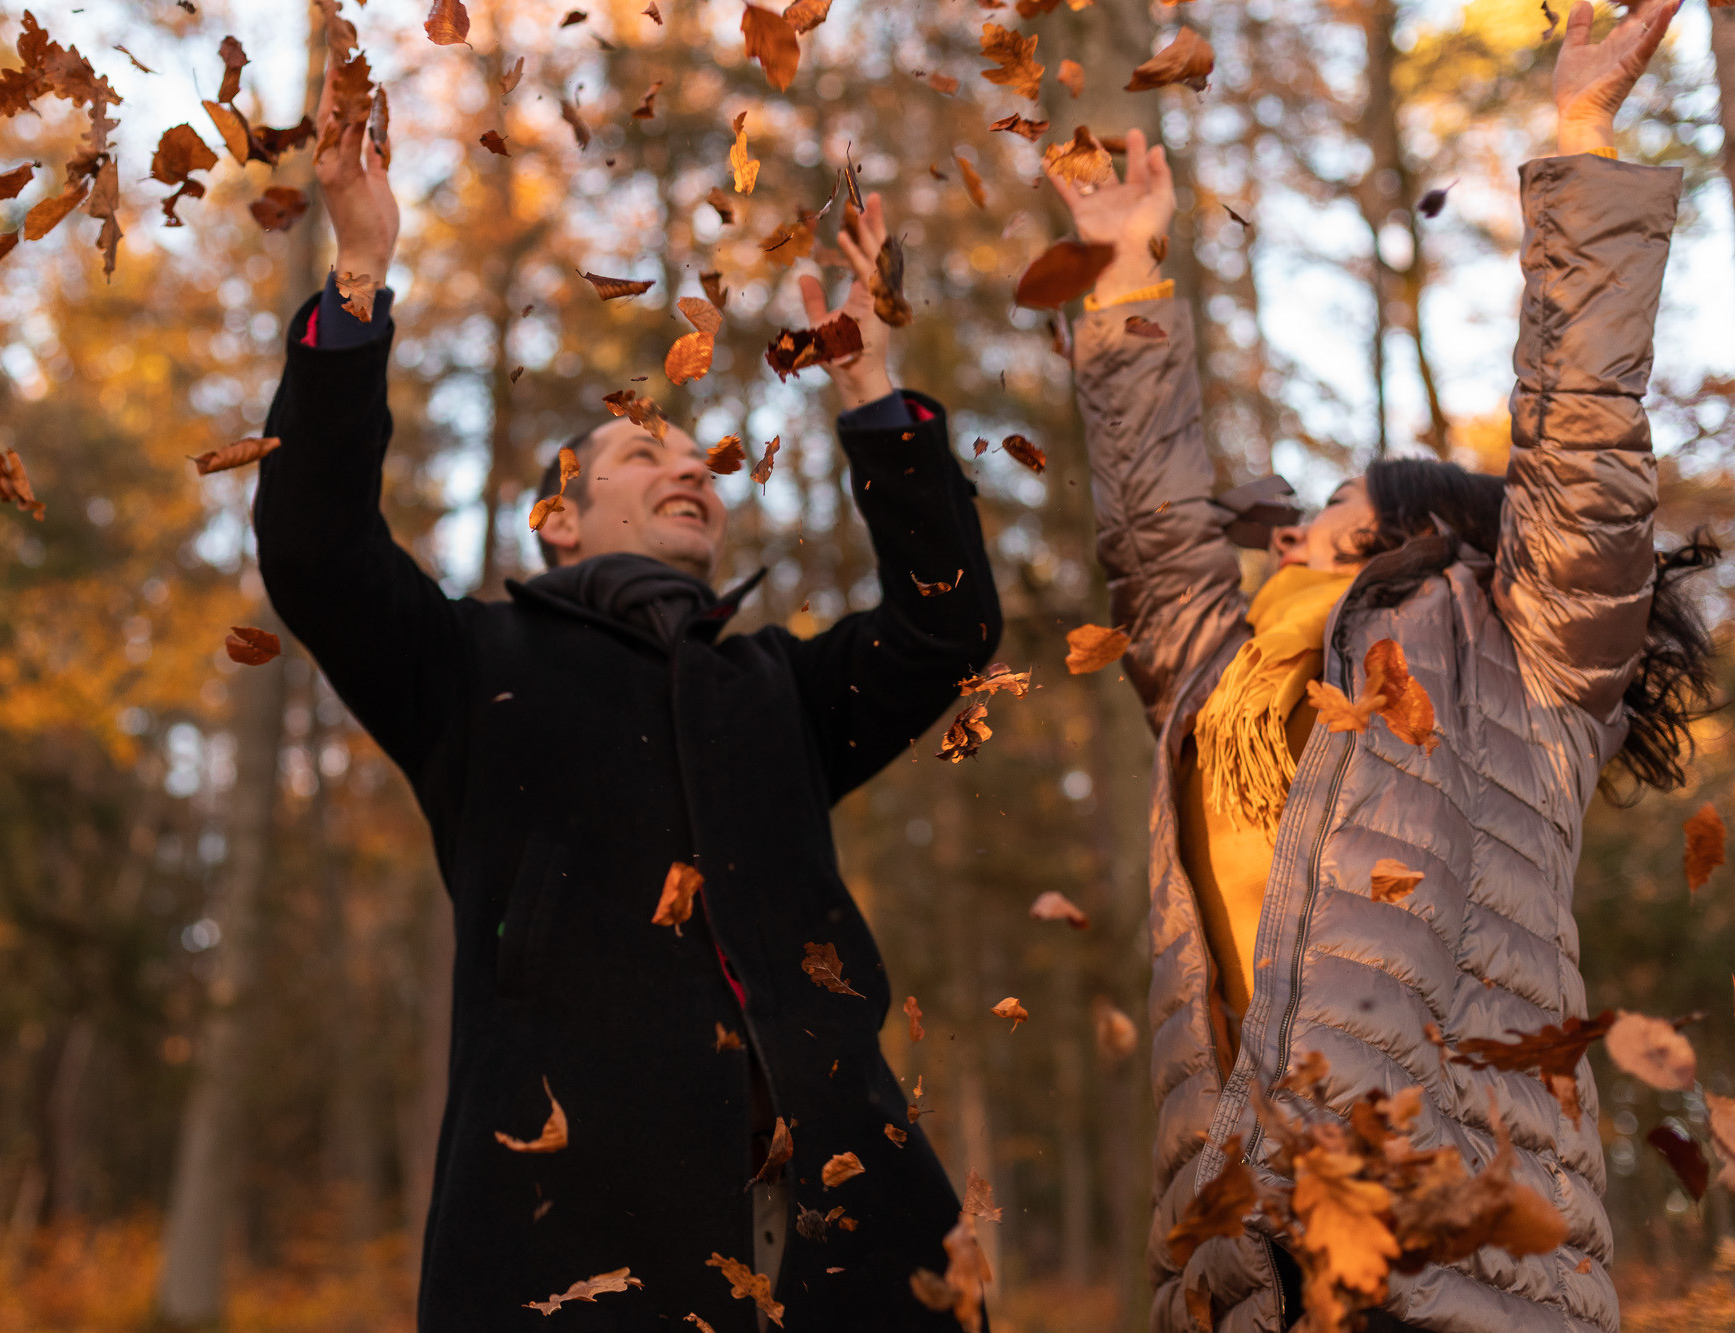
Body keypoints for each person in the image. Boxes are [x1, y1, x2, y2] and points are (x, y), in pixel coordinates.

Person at [252, 66, 1003, 1332]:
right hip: (577, 1231)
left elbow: (947, 628)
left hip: (844, 1235)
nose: (687, 470)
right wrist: (360, 280)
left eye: (700, 460)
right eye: (641, 453)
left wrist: (872, 396)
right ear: (556, 520)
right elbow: (316, 554)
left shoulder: (774, 689)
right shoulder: (472, 664)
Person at [1049, 2, 1713, 1329]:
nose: (1294, 531)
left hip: (1463, 1245)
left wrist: (1580, 141)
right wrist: (1125, 281)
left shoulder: (1514, 648)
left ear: (1425, 534)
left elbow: (1580, 453)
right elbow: (1155, 540)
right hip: (1240, 1252)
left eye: (1338, 511)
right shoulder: (1218, 680)